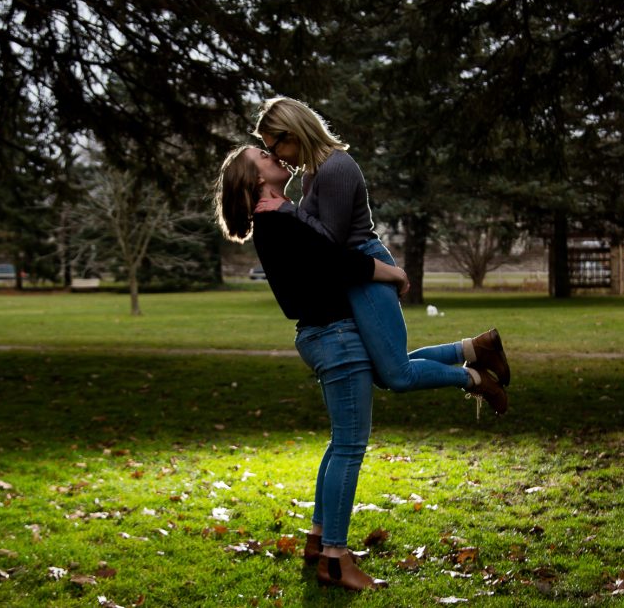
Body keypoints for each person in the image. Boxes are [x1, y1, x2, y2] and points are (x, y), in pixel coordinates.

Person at [214, 145, 503, 591]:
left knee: (341, 443)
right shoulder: (276, 221)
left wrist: (292, 209)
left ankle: (317, 539)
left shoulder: (277, 216)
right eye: (264, 157)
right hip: (334, 337)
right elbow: (334, 261)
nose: (275, 156)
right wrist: (389, 272)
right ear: (256, 180)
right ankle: (335, 556)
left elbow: (318, 253)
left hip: (323, 335)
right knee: (350, 448)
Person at [251, 97, 511, 411]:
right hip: (354, 270)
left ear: (292, 134)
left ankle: (475, 379)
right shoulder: (314, 174)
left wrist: (289, 211)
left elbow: (330, 241)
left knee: (397, 375)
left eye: (274, 146)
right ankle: (476, 348)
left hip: (365, 266)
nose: (277, 155)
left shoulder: (336, 168)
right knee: (386, 370)